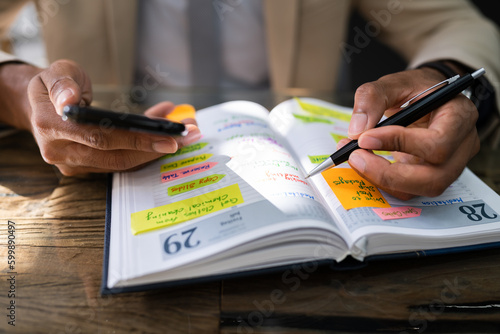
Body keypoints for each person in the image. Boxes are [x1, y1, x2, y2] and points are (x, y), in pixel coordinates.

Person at [0, 0, 499, 200]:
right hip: (111, 187)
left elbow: (456, 24)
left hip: (301, 175)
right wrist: (18, 92)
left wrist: (449, 80)